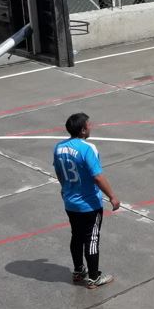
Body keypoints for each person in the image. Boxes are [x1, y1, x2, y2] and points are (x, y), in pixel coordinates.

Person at [53, 113, 120, 289]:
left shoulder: (59, 148)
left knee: (76, 236)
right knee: (92, 239)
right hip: (89, 204)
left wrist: (64, 188)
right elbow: (97, 177)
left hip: (70, 202)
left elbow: (59, 171)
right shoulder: (88, 148)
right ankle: (94, 277)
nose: (91, 127)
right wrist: (112, 196)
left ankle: (78, 270)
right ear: (83, 130)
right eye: (89, 125)